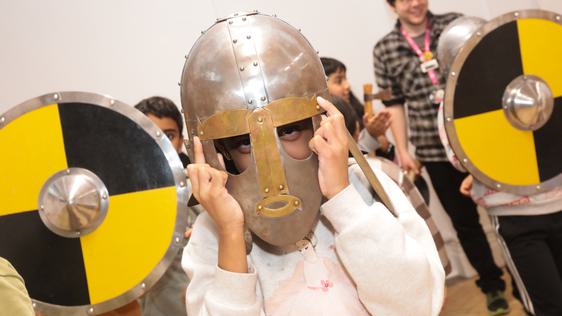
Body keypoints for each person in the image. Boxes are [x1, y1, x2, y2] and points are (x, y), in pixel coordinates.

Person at [181, 12, 445, 316]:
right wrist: (229, 233)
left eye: (289, 131)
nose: (272, 163)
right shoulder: (211, 233)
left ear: (318, 123)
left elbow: (417, 307)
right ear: (220, 152)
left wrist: (344, 201)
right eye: (245, 142)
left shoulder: (368, 187)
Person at [373, 0, 508, 315]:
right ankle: (493, 286)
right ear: (392, 6)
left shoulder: (455, 24)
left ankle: (521, 272)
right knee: (465, 223)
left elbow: (486, 73)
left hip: (480, 140)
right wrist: (403, 150)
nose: (415, 4)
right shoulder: (385, 48)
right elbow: (395, 104)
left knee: (506, 213)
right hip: (433, 151)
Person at [134, 96, 196, 316]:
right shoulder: (120, 201)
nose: (161, 143)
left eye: (168, 135)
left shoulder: (203, 192)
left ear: (181, 140)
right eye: (150, 134)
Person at [320, 57, 395, 160]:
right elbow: (349, 159)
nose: (347, 85)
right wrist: (370, 135)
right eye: (339, 81)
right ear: (320, 85)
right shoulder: (323, 123)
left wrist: (384, 144)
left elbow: (386, 156)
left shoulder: (358, 111)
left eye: (346, 79)